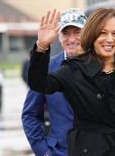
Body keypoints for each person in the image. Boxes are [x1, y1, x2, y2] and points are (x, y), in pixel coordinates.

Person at [28, 7, 115, 156]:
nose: (110, 39)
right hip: (89, 150)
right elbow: (39, 83)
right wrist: (41, 47)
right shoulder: (74, 69)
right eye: (103, 33)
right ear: (91, 35)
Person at [21, 8, 87, 156]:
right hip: (59, 152)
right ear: (59, 36)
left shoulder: (99, 66)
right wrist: (44, 152)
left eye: (77, 32)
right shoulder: (47, 68)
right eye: (65, 33)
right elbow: (30, 115)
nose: (71, 39)